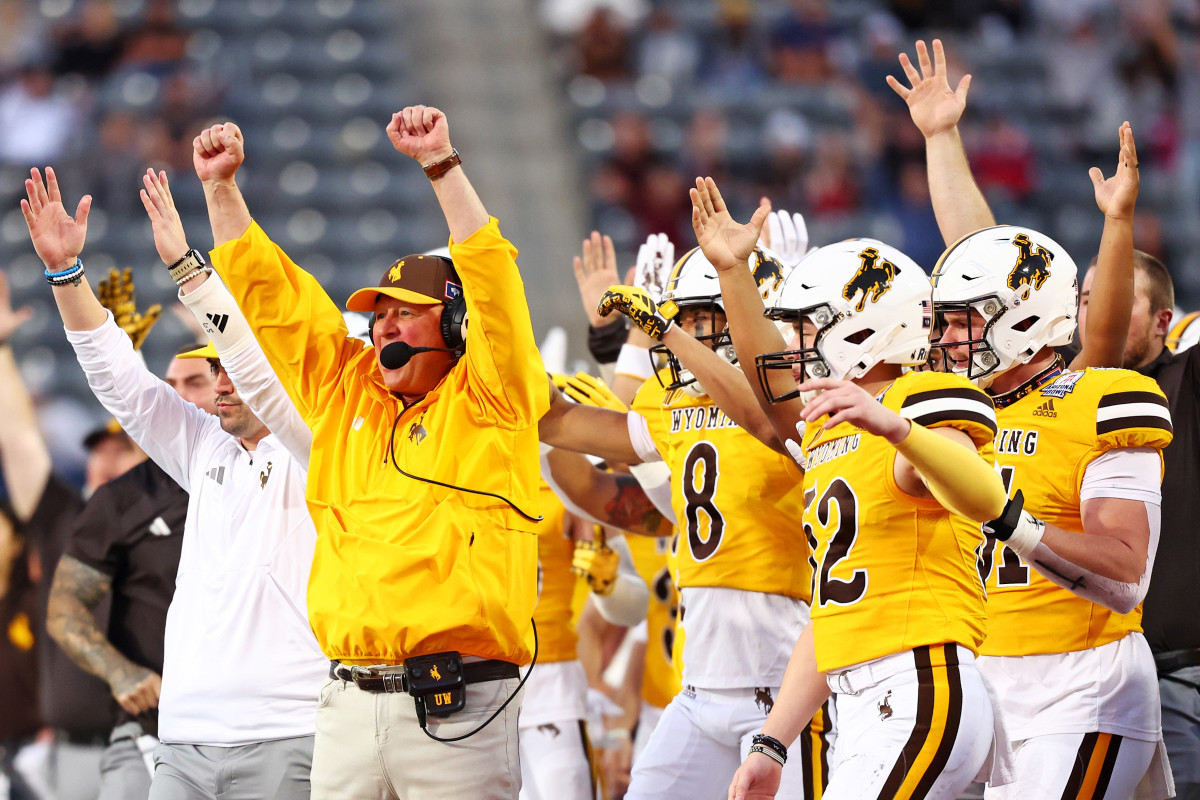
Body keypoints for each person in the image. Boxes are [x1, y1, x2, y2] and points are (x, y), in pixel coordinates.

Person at [192, 106, 547, 799]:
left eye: (405, 311)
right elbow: (272, 299)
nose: (385, 325)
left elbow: (494, 279)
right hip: (347, 704)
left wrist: (440, 164)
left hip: (459, 707)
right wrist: (220, 188)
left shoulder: (492, 396)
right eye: (379, 314)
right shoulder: (343, 389)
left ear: (454, 324)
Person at [685, 177, 1007, 800]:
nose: (795, 347)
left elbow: (984, 496)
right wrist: (772, 741)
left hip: (920, 681)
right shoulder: (830, 430)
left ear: (862, 331)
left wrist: (897, 429)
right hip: (862, 699)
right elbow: (831, 613)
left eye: (808, 329)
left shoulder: (917, 397)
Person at [19, 165, 327, 800]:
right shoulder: (205, 446)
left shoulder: (318, 449)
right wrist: (66, 274)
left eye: (232, 369)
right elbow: (120, 384)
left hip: (289, 730)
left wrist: (188, 268)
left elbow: (254, 363)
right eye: (215, 371)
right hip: (182, 738)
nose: (222, 382)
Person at [540, 244, 832, 800]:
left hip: (782, 682)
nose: (692, 332)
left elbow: (768, 418)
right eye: (685, 319)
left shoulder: (801, 402)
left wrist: (674, 336)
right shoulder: (671, 401)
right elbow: (562, 425)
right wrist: (501, 360)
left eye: (706, 317)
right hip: (698, 687)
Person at [932, 225, 1174, 799]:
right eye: (943, 322)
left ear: (1023, 319)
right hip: (982, 684)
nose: (947, 339)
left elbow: (1126, 578)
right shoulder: (955, 415)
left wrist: (1012, 524)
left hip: (1081, 685)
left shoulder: (1097, 401)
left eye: (964, 321)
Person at [46, 340, 212, 800]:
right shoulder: (123, 498)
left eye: (195, 382)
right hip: (152, 732)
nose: (179, 396)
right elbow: (64, 607)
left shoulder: (273, 475)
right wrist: (120, 672)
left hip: (258, 727)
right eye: (171, 384)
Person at [1077, 250, 1200, 799]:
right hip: (1100, 677)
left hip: (1181, 673)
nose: (1098, 311)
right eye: (1086, 299)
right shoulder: (1060, 390)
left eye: (1119, 299)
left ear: (1162, 320)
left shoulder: (1187, 379)